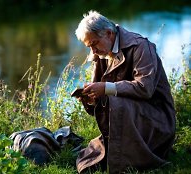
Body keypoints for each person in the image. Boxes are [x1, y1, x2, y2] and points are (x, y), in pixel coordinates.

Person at [74, 10, 176, 173]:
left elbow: (145, 88)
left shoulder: (141, 46)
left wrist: (106, 89)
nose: (92, 51)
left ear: (108, 33)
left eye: (94, 44)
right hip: (132, 117)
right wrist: (93, 97)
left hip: (157, 119)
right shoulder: (101, 52)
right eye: (89, 46)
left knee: (118, 101)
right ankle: (120, 157)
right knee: (88, 161)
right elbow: (102, 99)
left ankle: (130, 161)